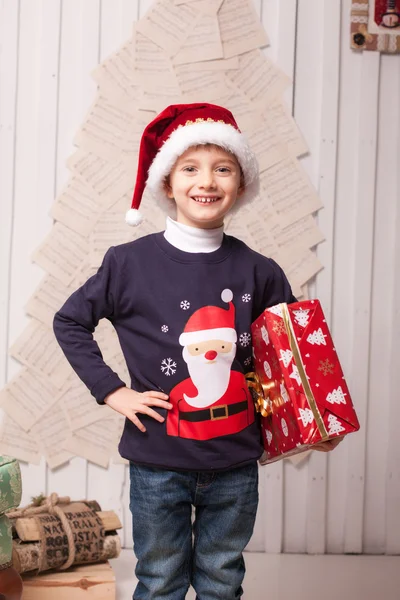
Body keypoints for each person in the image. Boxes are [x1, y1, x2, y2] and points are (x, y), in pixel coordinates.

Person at [53, 103, 340, 600]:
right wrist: (113, 391)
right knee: (160, 579)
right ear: (167, 183)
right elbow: (69, 321)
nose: (206, 181)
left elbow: (293, 354)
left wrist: (315, 419)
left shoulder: (260, 271)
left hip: (234, 463)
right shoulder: (128, 264)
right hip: (157, 462)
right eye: (190, 168)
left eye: (222, 168)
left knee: (222, 578)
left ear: (241, 183)